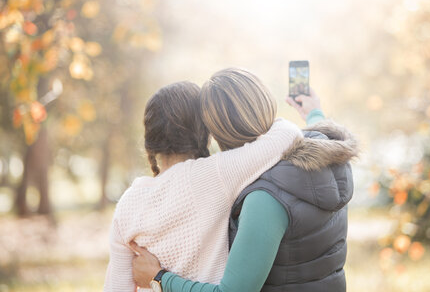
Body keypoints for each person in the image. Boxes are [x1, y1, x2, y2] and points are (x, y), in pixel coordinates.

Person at [131, 69, 358, 292]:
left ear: (214, 132)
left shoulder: (265, 198)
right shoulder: (329, 158)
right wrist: (314, 112)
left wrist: (158, 278)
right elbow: (310, 132)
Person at [103, 80, 302, 291]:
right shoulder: (214, 174)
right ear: (205, 132)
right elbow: (288, 135)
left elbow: (116, 286)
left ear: (149, 139)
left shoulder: (127, 204)